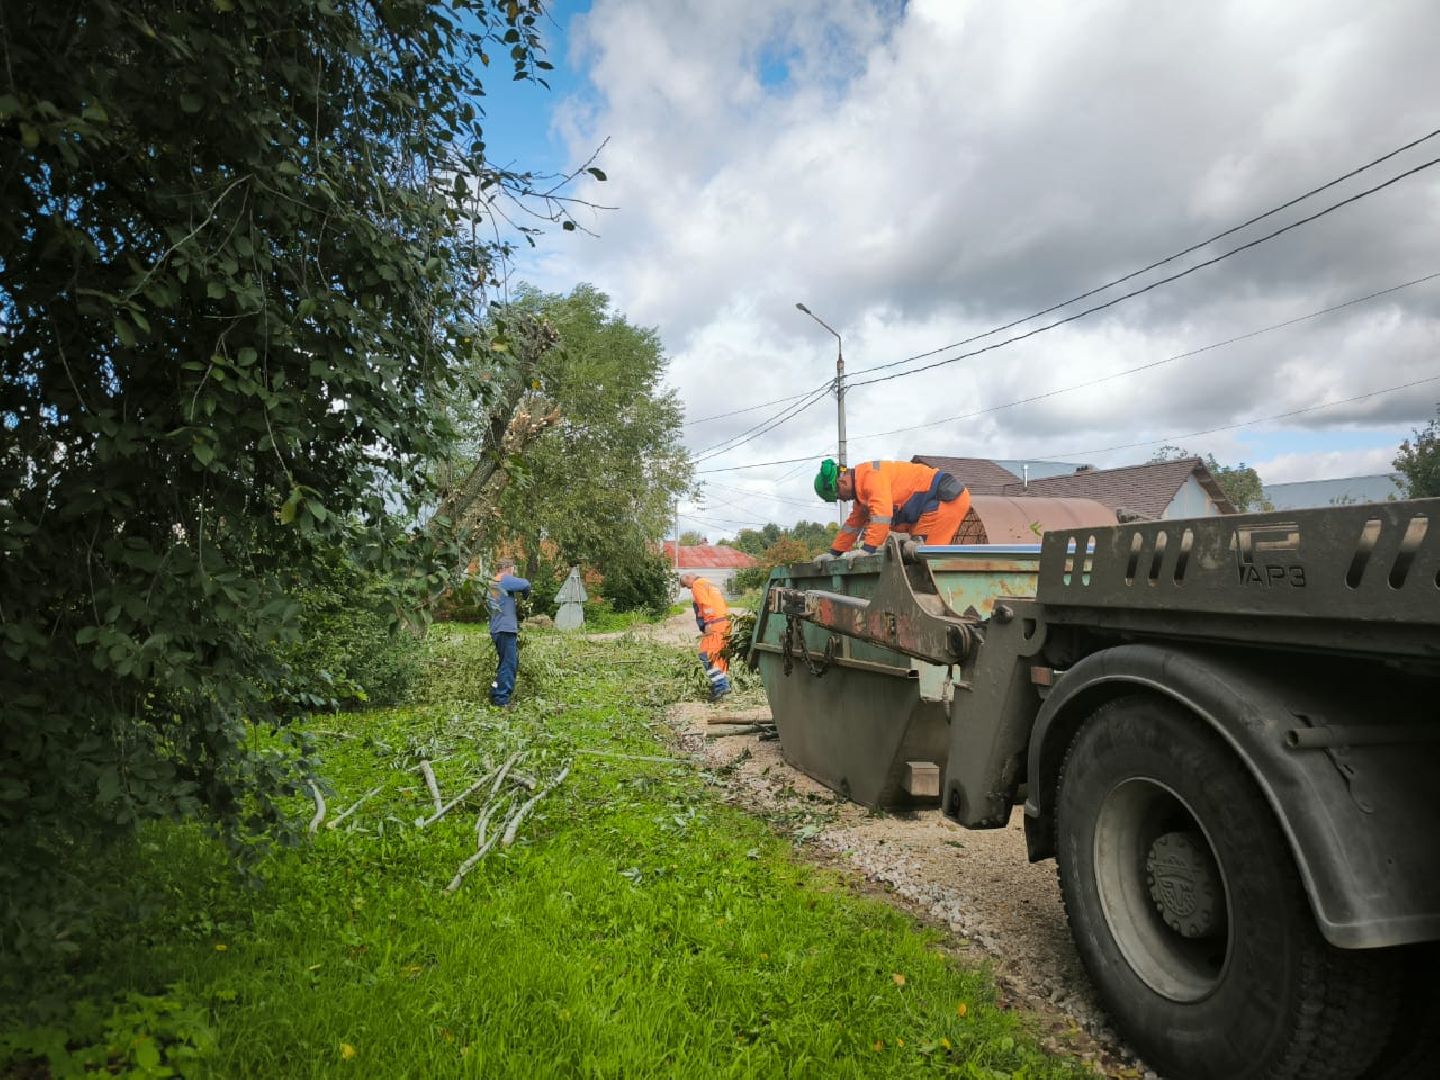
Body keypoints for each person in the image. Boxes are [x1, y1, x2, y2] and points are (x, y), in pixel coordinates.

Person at [813, 458, 971, 557]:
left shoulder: (871, 478)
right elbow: (852, 526)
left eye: (839, 496)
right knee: (914, 553)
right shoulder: (862, 495)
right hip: (931, 504)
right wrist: (834, 554)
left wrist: (868, 550)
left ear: (843, 483)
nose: (842, 499)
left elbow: (882, 515)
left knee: (925, 558)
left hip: (944, 499)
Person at [679, 572, 732, 702]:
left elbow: (705, 605)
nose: (689, 589)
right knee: (719, 656)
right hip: (725, 623)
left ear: (689, 578)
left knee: (705, 655)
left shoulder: (698, 585)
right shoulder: (709, 584)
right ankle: (720, 685)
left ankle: (721, 686)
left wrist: (708, 623)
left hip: (714, 624)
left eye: (687, 586)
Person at [486, 557, 532, 707]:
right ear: (509, 568)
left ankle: (495, 691)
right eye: (513, 570)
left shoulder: (492, 582)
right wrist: (525, 597)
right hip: (505, 629)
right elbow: (525, 584)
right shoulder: (504, 580)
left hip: (497, 628)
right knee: (509, 664)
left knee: (503, 664)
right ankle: (501, 700)